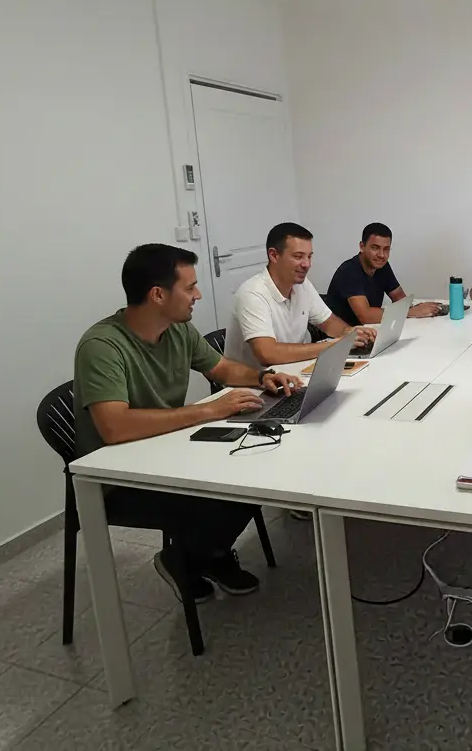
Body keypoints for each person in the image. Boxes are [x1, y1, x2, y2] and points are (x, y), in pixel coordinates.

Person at [73, 243, 302, 603]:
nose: (197, 295)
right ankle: (183, 558)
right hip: (120, 477)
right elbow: (114, 428)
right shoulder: (102, 346)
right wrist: (209, 410)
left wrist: (262, 378)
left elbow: (222, 368)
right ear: (158, 295)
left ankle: (206, 555)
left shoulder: (177, 329)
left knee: (258, 464)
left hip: (168, 448)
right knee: (229, 489)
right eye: (189, 287)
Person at [225, 222, 375, 367]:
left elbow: (329, 323)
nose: (307, 264)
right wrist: (333, 345)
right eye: (298, 256)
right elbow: (267, 354)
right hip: (252, 385)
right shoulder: (252, 294)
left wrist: (350, 333)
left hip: (292, 371)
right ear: (274, 255)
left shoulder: (302, 285)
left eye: (309, 256)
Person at [324, 223, 441, 325]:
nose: (382, 255)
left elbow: (399, 298)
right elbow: (366, 316)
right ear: (362, 246)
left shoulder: (382, 266)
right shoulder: (349, 271)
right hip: (341, 339)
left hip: (368, 331)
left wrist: (420, 309)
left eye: (386, 249)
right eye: (375, 248)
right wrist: (411, 312)